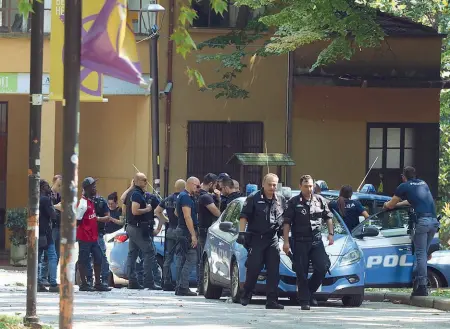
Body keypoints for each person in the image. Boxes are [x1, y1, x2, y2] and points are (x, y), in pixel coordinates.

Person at [383, 166, 440, 297]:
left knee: (420, 254)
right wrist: (399, 205)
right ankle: (419, 283)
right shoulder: (423, 183)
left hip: (422, 222)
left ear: (404, 176)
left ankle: (422, 286)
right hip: (433, 222)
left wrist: (387, 205)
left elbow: (390, 205)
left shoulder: (403, 186)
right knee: (423, 254)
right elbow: (411, 200)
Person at [282, 175, 334, 310]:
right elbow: (286, 223)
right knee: (301, 271)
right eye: (306, 186)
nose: (309, 189)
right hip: (299, 241)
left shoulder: (320, 200)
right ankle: (304, 300)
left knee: (323, 267)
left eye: (311, 186)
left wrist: (330, 234)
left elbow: (328, 217)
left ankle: (309, 291)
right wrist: (286, 242)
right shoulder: (293, 202)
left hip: (316, 240)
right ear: (300, 186)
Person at [237, 173, 286, 309]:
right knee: (253, 268)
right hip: (256, 239)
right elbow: (244, 216)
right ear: (263, 184)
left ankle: (271, 301)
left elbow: (285, 219)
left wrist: (286, 236)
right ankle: (246, 295)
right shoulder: (253, 198)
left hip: (273, 239)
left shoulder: (281, 199)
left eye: (274, 185)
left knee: (273, 271)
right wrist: (242, 233)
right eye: (269, 184)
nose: (272, 187)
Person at [125, 172, 161, 290]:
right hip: (137, 228)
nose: (146, 182)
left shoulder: (132, 192)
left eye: (146, 180)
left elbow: (122, 199)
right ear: (137, 181)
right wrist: (147, 209)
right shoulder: (136, 194)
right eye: (144, 180)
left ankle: (132, 281)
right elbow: (135, 211)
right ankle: (148, 281)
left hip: (133, 227)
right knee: (149, 252)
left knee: (132, 253)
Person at [76, 177, 111, 292]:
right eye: (93, 186)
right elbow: (77, 220)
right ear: (87, 188)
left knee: (99, 258)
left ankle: (98, 283)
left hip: (93, 237)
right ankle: (84, 283)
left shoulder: (91, 201)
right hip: (85, 237)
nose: (95, 188)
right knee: (83, 260)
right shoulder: (83, 203)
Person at [155, 179, 186, 291]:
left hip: (170, 230)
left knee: (168, 257)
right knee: (179, 257)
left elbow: (157, 211)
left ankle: (166, 281)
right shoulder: (183, 198)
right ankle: (178, 283)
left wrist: (165, 219)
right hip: (179, 230)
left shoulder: (168, 198)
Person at [175, 176, 201, 296]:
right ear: (191, 184)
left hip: (181, 230)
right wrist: (193, 235)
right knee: (192, 258)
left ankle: (179, 286)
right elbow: (187, 216)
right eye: (197, 186)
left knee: (183, 259)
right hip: (186, 232)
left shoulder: (181, 195)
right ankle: (183, 287)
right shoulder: (185, 197)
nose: (198, 188)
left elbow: (176, 212)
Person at [197, 173, 221, 294]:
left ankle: (202, 286)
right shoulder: (205, 197)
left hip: (202, 230)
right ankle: (202, 287)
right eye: (215, 184)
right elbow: (217, 213)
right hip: (205, 231)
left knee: (203, 259)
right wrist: (219, 199)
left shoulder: (200, 195)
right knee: (205, 259)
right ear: (211, 184)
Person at [38, 180, 59, 293]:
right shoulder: (45, 199)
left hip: (39, 232)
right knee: (52, 256)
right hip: (46, 232)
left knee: (39, 258)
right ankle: (53, 283)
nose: (48, 188)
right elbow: (53, 215)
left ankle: (38, 282)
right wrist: (55, 208)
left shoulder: (36, 199)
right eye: (46, 186)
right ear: (42, 187)